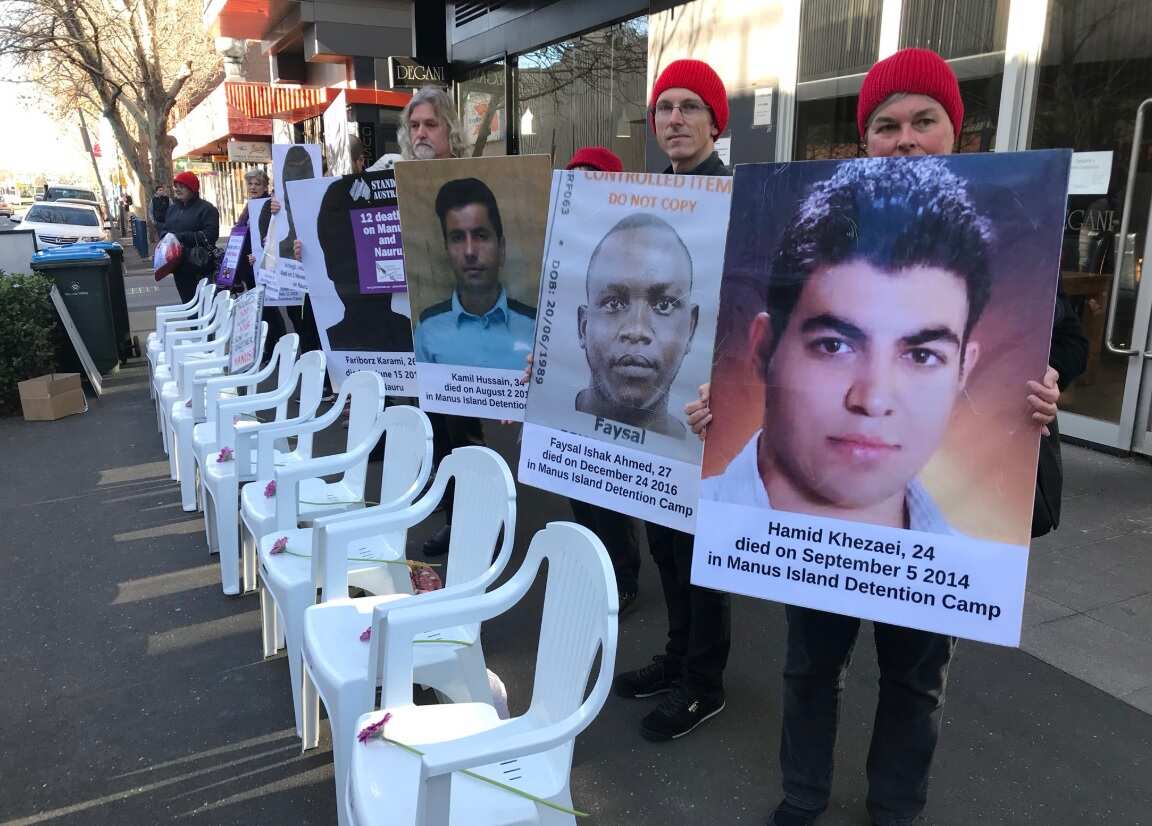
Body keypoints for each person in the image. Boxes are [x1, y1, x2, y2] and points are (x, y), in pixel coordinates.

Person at [685, 47, 1085, 826]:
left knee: (915, 677)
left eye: (923, 121)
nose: (904, 139)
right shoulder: (808, 229)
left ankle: (895, 809)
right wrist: (705, 408)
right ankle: (802, 797)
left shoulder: (1027, 230)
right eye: (885, 124)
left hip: (926, 558)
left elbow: (1061, 338)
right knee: (810, 665)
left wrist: (1049, 389)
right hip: (805, 546)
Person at [611, 58, 732, 743]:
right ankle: (679, 655)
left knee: (700, 552)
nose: (676, 119)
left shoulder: (732, 196)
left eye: (690, 107)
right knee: (665, 541)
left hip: (708, 404)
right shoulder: (653, 195)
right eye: (665, 108)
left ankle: (704, 683)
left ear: (715, 121)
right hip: (657, 397)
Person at [395, 86, 485, 558]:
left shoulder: (474, 178)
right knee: (437, 428)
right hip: (421, 327)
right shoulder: (397, 180)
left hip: (469, 326)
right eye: (414, 126)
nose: (422, 133)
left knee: (464, 430)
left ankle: (475, 524)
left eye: (430, 124)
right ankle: (456, 509)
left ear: (450, 128)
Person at [563, 145, 641, 616]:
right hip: (573, 386)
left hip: (620, 386)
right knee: (577, 483)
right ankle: (595, 566)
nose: (585, 188)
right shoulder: (566, 241)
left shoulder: (631, 246)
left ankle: (623, 574)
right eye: (577, 179)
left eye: (595, 179)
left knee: (611, 487)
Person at [577, 213, 698, 439]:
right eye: (613, 302)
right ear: (583, 325)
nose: (636, 330)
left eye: (664, 305)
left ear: (690, 329)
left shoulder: (701, 449)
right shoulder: (546, 418)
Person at [231, 168, 288, 356]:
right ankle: (269, 349)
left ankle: (277, 349)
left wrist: (260, 252)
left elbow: (271, 235)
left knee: (269, 310)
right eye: (250, 183)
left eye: (257, 184)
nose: (253, 187)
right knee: (260, 310)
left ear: (265, 186)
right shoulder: (250, 206)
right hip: (249, 264)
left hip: (263, 263)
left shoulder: (268, 205)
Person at [163, 171, 220, 303]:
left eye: (182, 186)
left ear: (192, 188)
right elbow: (165, 229)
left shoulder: (207, 209)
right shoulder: (172, 209)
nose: (177, 189)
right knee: (187, 303)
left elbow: (210, 236)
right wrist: (165, 237)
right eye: (176, 186)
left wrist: (180, 237)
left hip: (199, 264)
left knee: (203, 306)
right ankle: (194, 324)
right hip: (178, 265)